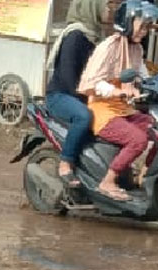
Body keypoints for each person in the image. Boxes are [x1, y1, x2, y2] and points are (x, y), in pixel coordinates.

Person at [77, 0, 158, 201]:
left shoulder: (136, 49)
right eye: (142, 26)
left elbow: (143, 75)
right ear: (128, 22)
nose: (145, 31)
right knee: (138, 140)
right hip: (102, 111)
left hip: (124, 110)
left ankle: (142, 176)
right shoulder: (108, 47)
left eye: (147, 26)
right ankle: (107, 181)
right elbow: (92, 83)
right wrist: (119, 92)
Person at [46, 0, 119, 187]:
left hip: (80, 94)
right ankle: (66, 163)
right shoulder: (75, 36)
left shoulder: (95, 36)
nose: (110, 11)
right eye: (107, 6)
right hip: (61, 96)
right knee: (84, 117)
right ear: (92, 7)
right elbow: (70, 80)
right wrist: (92, 97)